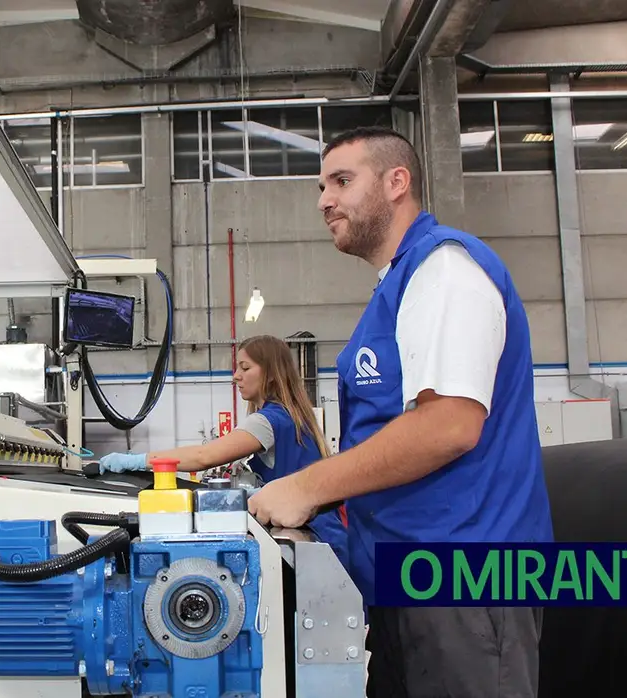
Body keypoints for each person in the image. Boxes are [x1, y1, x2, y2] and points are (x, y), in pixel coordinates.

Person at [246, 125, 554, 698]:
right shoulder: (397, 290)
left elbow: (450, 424)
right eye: (320, 187)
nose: (324, 201)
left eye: (341, 180)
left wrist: (307, 486)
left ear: (396, 182)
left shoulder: (444, 271)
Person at [98, 334, 349, 568]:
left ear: (271, 374)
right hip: (325, 537)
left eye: (245, 367)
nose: (236, 376)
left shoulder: (268, 420)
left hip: (309, 543)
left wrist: (137, 460)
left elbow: (203, 457)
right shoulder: (293, 416)